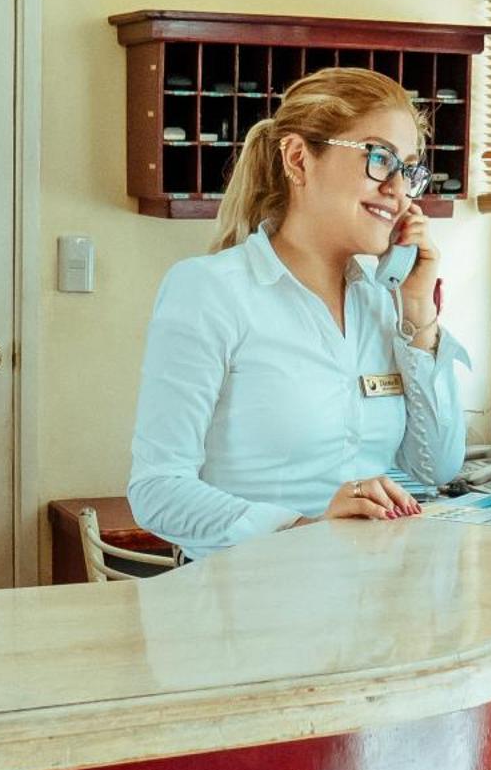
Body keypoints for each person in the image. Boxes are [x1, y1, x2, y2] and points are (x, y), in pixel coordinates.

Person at [127, 68, 470, 559]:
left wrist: (418, 312)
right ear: (297, 158)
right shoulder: (210, 291)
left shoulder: (381, 301)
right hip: (246, 606)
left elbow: (437, 467)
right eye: (379, 158)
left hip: (366, 602)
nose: (399, 189)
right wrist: (301, 527)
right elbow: (157, 490)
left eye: (410, 169)